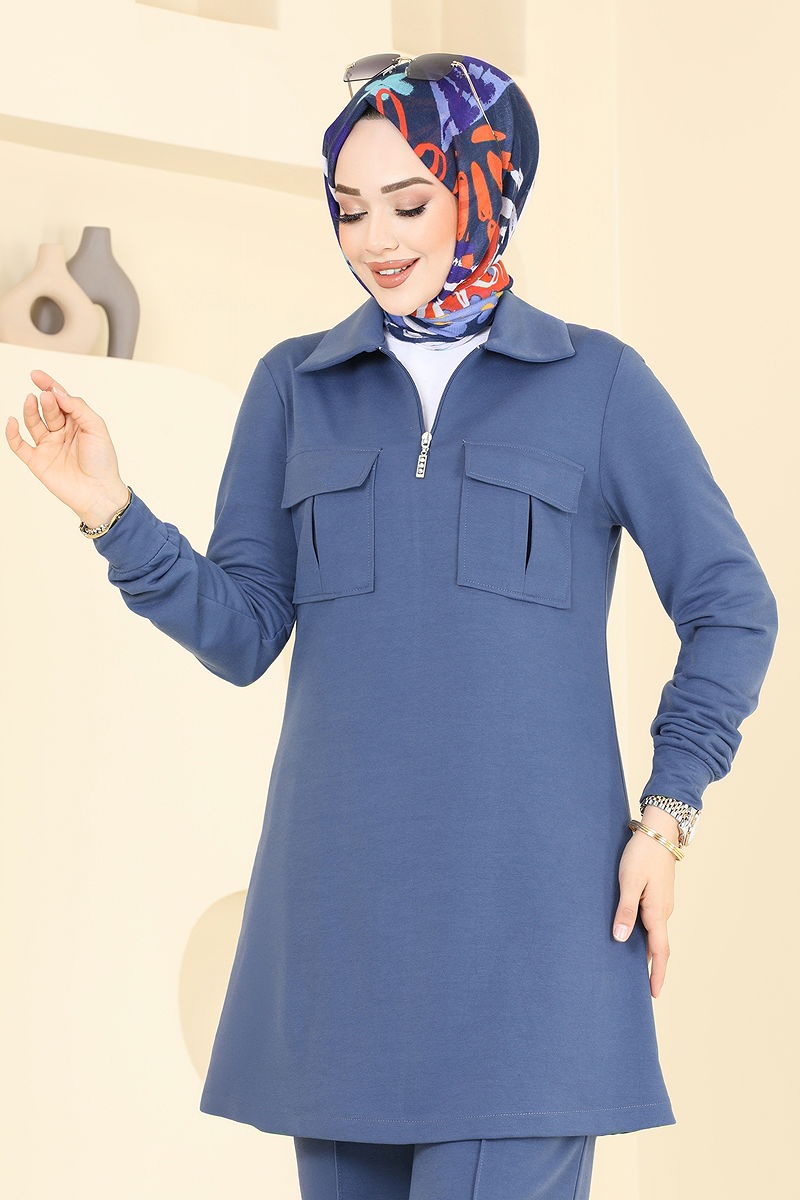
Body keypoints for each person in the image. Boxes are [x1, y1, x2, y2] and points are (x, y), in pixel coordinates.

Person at [6, 52, 778, 1200]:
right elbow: (243, 633)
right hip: (340, 946)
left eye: (407, 203)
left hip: (530, 949)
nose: (374, 238)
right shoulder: (294, 386)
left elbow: (731, 605)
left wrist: (664, 819)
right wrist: (111, 511)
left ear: (483, 186)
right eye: (348, 207)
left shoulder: (599, 385)